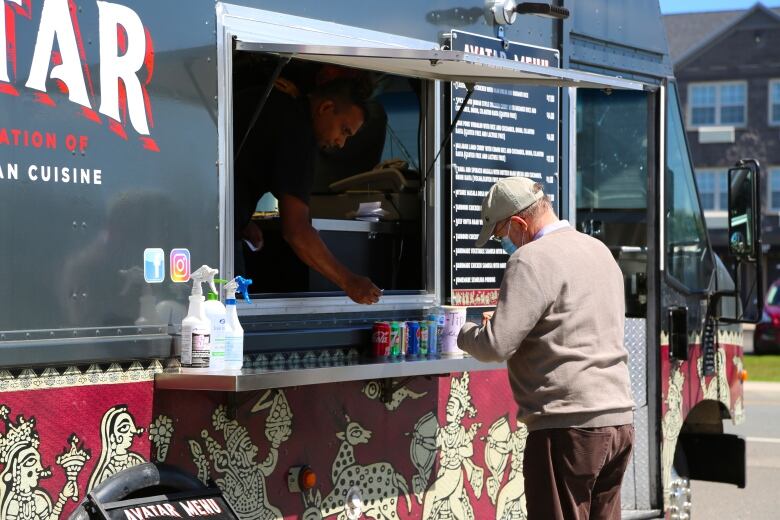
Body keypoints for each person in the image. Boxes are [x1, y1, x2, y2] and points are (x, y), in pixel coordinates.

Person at [457, 177, 635, 519]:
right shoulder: (599, 251)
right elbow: (575, 324)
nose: (504, 245)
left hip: (568, 427)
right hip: (618, 421)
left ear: (519, 224)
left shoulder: (530, 260)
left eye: (501, 236)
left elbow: (496, 346)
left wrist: (461, 333)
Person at [234, 72, 382, 305]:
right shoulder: (298, 131)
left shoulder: (269, 102)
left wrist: (240, 218)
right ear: (326, 107)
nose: (340, 143)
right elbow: (297, 230)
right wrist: (349, 281)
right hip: (212, 235)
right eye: (344, 130)